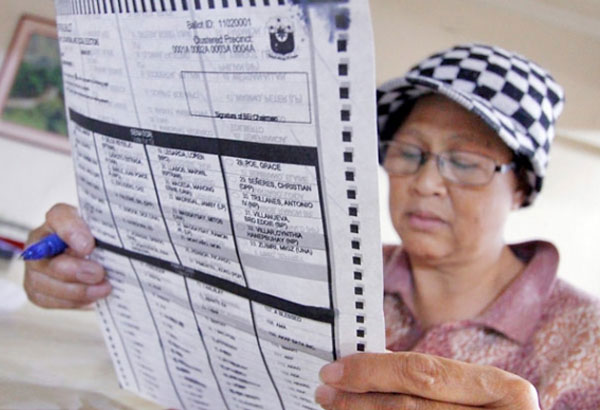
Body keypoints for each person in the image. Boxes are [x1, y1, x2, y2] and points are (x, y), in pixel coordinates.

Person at [23, 44, 600, 409]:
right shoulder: (325, 267)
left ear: (521, 186)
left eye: (467, 162)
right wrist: (86, 265)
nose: (426, 182)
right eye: (408, 153)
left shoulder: (587, 341)